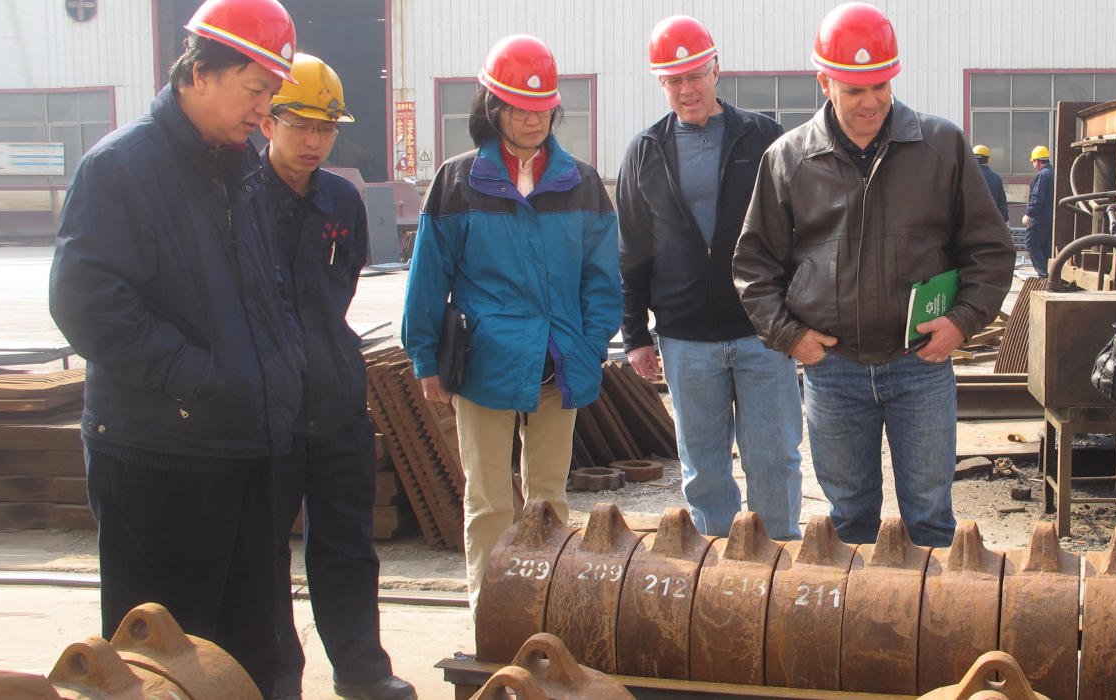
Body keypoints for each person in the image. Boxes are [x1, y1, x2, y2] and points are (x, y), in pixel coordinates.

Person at [48, 0, 303, 696]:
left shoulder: (241, 169)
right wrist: (200, 379)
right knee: (168, 659)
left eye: (271, 94)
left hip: (246, 446)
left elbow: (264, 293)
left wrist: (277, 379)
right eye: (255, 89)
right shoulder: (122, 169)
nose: (264, 111)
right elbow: (85, 302)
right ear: (197, 73)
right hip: (163, 457)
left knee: (254, 649)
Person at [735, 2, 1014, 548]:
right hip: (834, 370)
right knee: (849, 522)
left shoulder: (940, 147)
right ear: (825, 83)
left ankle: (930, 607)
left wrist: (962, 321)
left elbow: (990, 249)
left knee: (930, 518)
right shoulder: (789, 159)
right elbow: (753, 265)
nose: (871, 101)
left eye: (880, 85)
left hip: (920, 365)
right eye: (854, 89)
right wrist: (790, 336)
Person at [401, 35, 622, 613]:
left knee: (550, 498)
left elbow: (602, 280)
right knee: (489, 501)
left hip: (560, 363)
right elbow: (428, 278)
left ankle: (544, 605)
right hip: (484, 365)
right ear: (492, 107)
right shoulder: (457, 182)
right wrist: (425, 357)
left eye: (542, 108)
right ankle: (490, 614)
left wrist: (589, 345)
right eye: (519, 108)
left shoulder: (581, 183)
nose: (532, 119)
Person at [258, 53, 416, 700]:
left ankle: (362, 670)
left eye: (324, 128)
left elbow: (340, 288)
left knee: (347, 545)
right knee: (263, 553)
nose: (313, 141)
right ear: (267, 122)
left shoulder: (342, 199)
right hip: (265, 406)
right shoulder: (238, 198)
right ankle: (277, 679)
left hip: (336, 400)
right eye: (299, 125)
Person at [617, 16, 802, 540]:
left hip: (763, 333)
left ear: (716, 70)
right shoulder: (645, 151)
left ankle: (778, 560)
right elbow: (632, 251)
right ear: (661, 83)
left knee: (774, 458)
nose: (686, 89)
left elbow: (799, 232)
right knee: (703, 469)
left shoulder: (763, 137)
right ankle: (717, 568)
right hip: (685, 338)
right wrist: (635, 335)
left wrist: (799, 315)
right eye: (673, 80)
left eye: (695, 75)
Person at [1021, 146, 1054, 276]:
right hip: (1051, 219)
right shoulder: (1053, 173)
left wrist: (1029, 214)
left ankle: (1044, 274)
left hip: (1040, 219)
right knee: (1045, 247)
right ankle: (1051, 275)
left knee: (1031, 244)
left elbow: (1037, 197)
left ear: (1037, 161)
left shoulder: (1042, 175)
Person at [972, 144, 1010, 223]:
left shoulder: (967, 177)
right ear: (988, 160)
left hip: (972, 223)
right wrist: (1003, 220)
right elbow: (1002, 203)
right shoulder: (996, 178)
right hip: (992, 222)